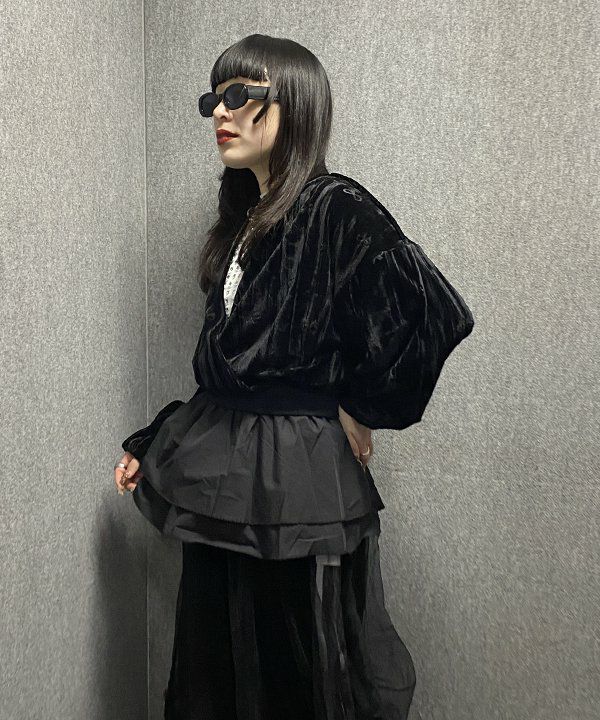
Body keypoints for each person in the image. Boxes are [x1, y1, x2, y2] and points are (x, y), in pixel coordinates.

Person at [113, 33, 475, 720]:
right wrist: (157, 441)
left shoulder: (333, 205)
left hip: (295, 480)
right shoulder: (244, 222)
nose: (221, 112)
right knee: (216, 663)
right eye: (214, 99)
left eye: (239, 95)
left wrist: (359, 404)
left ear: (297, 105)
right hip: (227, 473)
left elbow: (425, 309)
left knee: (294, 668)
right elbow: (235, 374)